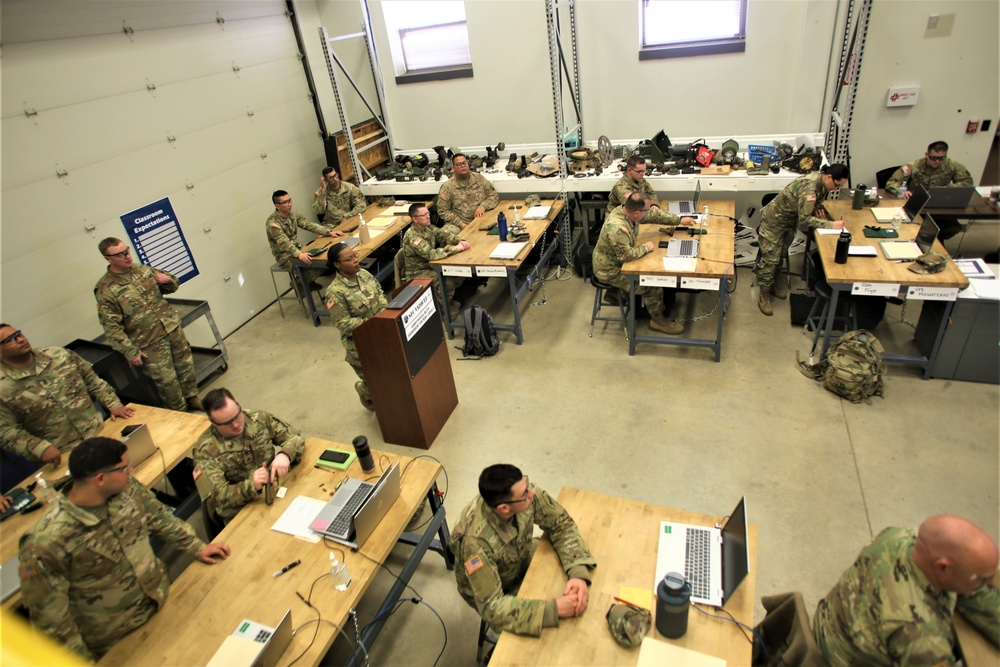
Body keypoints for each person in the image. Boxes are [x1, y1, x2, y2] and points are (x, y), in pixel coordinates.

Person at [18, 436, 231, 661]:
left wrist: (196, 546)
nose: (131, 471)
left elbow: (159, 517)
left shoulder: (126, 488)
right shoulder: (44, 543)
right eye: (124, 468)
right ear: (100, 479)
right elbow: (52, 624)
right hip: (116, 641)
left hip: (161, 600)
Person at [814, 515, 1000, 666]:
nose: (991, 583)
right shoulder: (921, 636)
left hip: (835, 622)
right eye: (982, 578)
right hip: (844, 658)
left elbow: (975, 593)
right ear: (942, 568)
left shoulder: (899, 537)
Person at [449, 464, 596, 637]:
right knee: (560, 636)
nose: (532, 493)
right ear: (504, 508)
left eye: (526, 484)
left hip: (520, 556)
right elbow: (492, 607)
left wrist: (577, 573)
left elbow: (560, 523)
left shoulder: (522, 493)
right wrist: (552, 611)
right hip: (494, 586)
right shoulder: (474, 544)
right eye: (525, 493)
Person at [0, 324, 134, 468]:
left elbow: (91, 379)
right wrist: (39, 448)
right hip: (62, 454)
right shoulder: (3, 387)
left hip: (100, 432)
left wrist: (113, 404)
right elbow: (6, 431)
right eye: (10, 339)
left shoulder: (58, 355)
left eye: (19, 334)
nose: (20, 339)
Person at [94, 238, 202, 413]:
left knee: (185, 366)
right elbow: (112, 327)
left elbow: (172, 285)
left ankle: (192, 398)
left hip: (171, 329)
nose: (127, 256)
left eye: (127, 251)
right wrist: (130, 351)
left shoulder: (143, 270)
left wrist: (167, 280)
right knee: (167, 382)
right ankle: (180, 413)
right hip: (149, 342)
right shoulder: (106, 289)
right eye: (120, 254)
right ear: (108, 259)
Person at [192, 388, 304, 523]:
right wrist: (251, 485)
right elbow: (217, 497)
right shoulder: (205, 451)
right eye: (227, 423)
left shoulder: (258, 419)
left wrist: (285, 455)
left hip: (273, 492)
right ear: (213, 423)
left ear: (238, 404)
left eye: (236, 416)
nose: (235, 425)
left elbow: (295, 437)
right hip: (241, 512)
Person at [592, 192, 693, 335]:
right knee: (652, 284)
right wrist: (646, 247)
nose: (649, 212)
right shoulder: (617, 227)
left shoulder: (627, 211)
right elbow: (626, 256)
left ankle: (628, 296)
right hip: (609, 270)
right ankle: (658, 321)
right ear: (637, 212)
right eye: (646, 210)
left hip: (617, 261)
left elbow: (653, 215)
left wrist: (679, 220)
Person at [755, 164, 848, 316]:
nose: (836, 189)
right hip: (774, 222)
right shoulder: (809, 187)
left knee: (780, 256)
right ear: (829, 177)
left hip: (789, 221)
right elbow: (805, 219)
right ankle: (764, 295)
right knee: (770, 260)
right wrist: (831, 225)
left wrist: (820, 213)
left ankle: (772, 285)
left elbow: (815, 205)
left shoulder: (822, 183)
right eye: (837, 185)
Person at [324, 243, 388, 410]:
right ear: (337, 265)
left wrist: (383, 314)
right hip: (359, 346)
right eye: (349, 259)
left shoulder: (364, 274)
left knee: (387, 376)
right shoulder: (335, 292)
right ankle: (364, 392)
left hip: (381, 334)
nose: (356, 261)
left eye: (355, 256)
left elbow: (380, 293)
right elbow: (343, 323)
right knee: (373, 383)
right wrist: (372, 323)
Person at [400, 203, 471, 316]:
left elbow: (444, 235)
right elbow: (432, 255)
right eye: (424, 215)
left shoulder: (427, 228)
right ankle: (442, 311)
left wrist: (460, 240)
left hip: (431, 265)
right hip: (419, 272)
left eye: (428, 213)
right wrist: (456, 249)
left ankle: (445, 301)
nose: (428, 216)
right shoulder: (413, 237)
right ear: (415, 219)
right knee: (448, 280)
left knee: (459, 272)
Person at [266, 189, 344, 289]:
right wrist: (299, 254)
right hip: (285, 255)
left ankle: (306, 282)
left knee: (324, 261)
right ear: (277, 206)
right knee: (313, 267)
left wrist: (329, 232)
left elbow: (309, 225)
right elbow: (284, 242)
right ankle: (299, 283)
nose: (289, 204)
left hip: (298, 249)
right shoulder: (272, 223)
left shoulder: (293, 215)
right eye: (285, 202)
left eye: (290, 200)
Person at [885, 141, 974, 198]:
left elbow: (967, 182)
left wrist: (947, 189)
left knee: (953, 227)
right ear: (926, 155)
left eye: (941, 158)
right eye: (933, 158)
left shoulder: (953, 165)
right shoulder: (913, 166)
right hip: (915, 199)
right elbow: (892, 182)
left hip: (940, 200)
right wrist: (903, 191)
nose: (937, 161)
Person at [437, 153, 499, 235]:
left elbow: (493, 195)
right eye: (459, 164)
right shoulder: (448, 187)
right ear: (453, 167)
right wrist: (461, 224)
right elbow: (443, 211)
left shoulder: (478, 178)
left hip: (481, 218)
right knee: (446, 233)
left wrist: (483, 207)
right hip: (459, 224)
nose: (462, 166)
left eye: (464, 163)